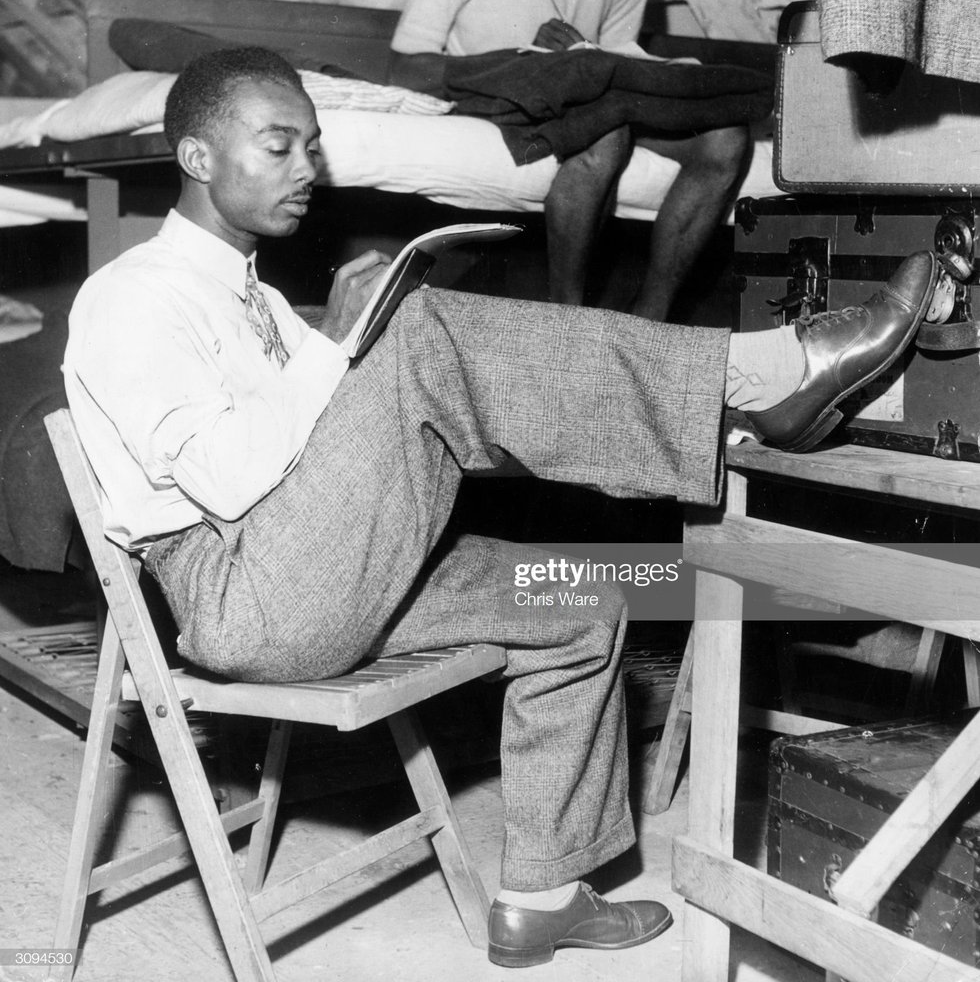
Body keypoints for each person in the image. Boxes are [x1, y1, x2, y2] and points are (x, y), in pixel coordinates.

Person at [63, 48, 936, 969]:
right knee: (426, 340)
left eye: (312, 147)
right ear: (197, 158)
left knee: (579, 597)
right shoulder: (130, 299)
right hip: (243, 594)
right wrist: (337, 348)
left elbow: (313, 451)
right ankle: (756, 379)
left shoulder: (260, 299)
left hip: (311, 561)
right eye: (277, 147)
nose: (306, 171)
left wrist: (350, 356)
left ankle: (542, 897)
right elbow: (237, 477)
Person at [390, 0, 754, 322]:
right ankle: (566, 316)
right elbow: (405, 67)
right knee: (605, 133)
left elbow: (619, 62)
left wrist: (586, 56)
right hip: (496, 97)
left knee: (727, 139)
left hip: (589, 99)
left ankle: (651, 318)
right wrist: (522, 61)